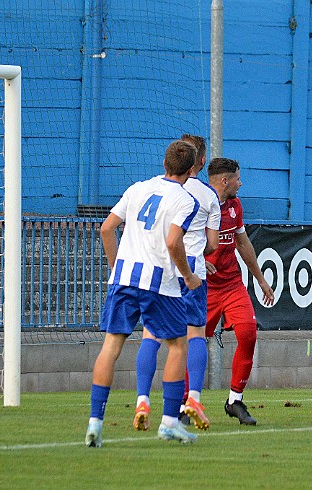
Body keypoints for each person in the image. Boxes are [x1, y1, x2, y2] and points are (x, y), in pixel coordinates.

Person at [85, 139, 203, 447]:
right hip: (159, 284)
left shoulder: (136, 188)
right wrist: (188, 276)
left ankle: (95, 423)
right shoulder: (185, 199)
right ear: (191, 170)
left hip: (124, 279)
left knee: (110, 348)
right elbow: (174, 243)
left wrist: (116, 269)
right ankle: (169, 423)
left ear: (164, 164)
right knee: (178, 346)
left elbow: (106, 228)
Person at [133, 134, 221, 432]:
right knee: (195, 333)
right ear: (201, 161)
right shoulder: (208, 196)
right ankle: (193, 398)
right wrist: (198, 256)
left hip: (160, 269)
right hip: (192, 268)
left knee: (151, 335)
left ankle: (142, 400)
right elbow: (212, 244)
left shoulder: (153, 188)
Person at [205, 157, 275, 425]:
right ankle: (187, 403)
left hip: (232, 284)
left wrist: (260, 279)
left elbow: (243, 243)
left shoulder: (235, 206)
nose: (240, 182)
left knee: (248, 333)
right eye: (237, 178)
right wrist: (198, 264)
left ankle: (234, 400)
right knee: (194, 343)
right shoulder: (198, 204)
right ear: (225, 181)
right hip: (204, 286)